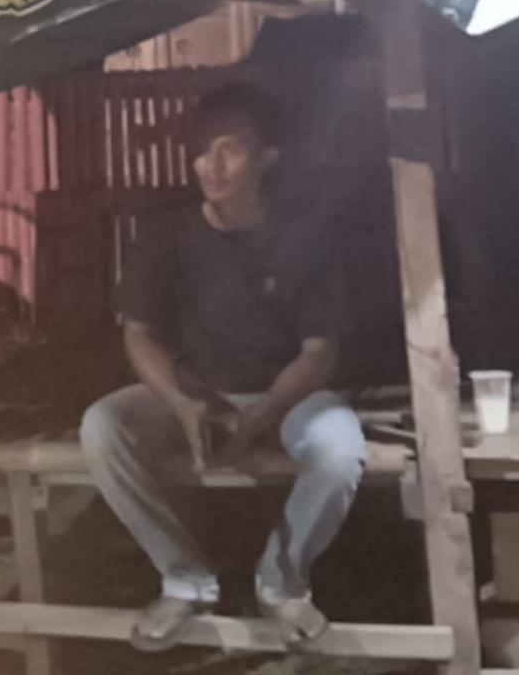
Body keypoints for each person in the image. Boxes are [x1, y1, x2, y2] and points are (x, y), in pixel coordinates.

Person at [79, 83, 361, 651]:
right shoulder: (166, 233)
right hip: (195, 392)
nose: (211, 164)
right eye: (203, 150)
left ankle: (282, 584)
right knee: (101, 427)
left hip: (290, 397)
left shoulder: (303, 235)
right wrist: (179, 402)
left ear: (268, 156)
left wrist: (263, 414)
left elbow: (318, 351)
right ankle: (184, 578)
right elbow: (139, 333)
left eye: (230, 148)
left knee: (339, 450)